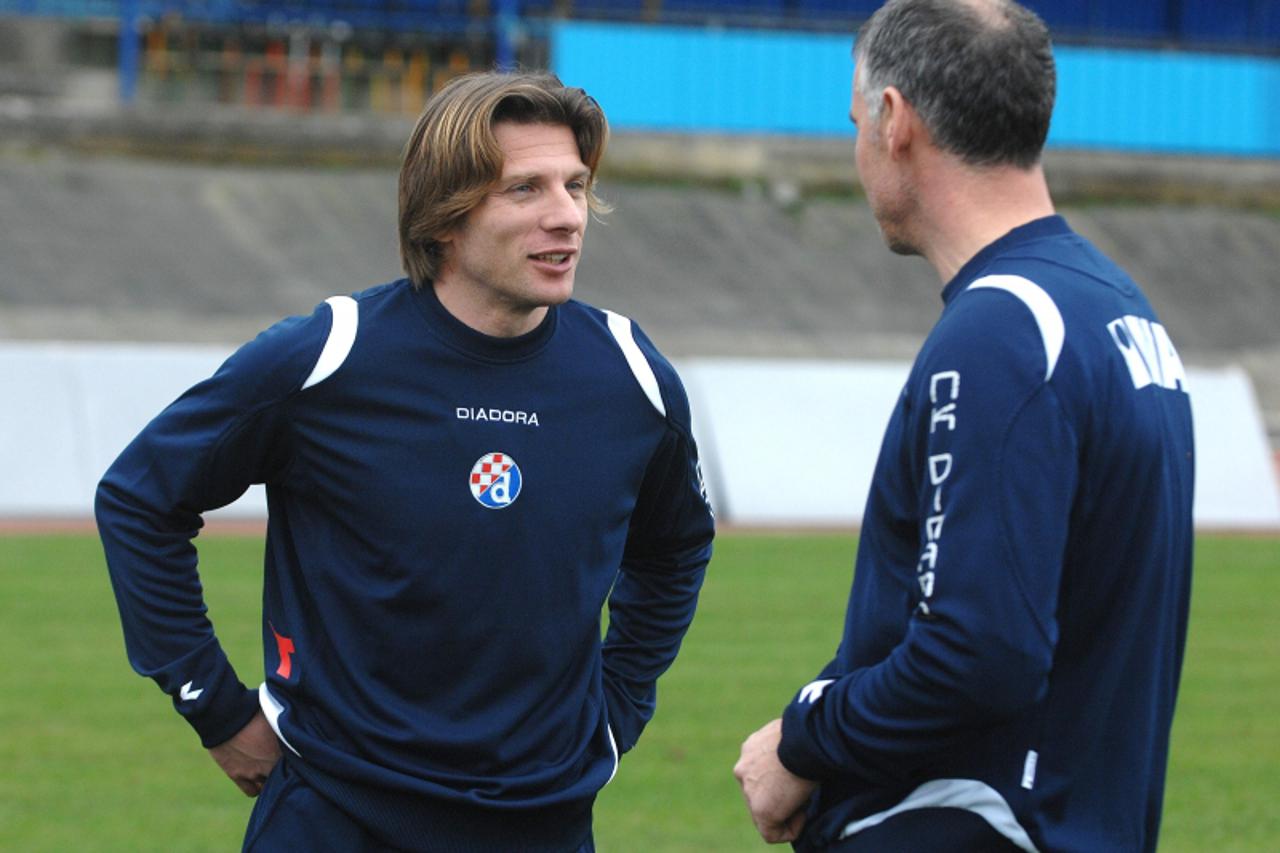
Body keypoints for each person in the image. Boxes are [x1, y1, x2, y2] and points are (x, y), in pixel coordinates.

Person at [97, 70, 714, 852]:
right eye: (525, 189)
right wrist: (216, 707)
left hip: (543, 819)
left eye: (576, 185)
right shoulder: (327, 357)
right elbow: (138, 499)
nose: (566, 217)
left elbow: (677, 545)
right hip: (335, 815)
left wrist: (619, 700)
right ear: (445, 216)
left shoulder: (631, 375)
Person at [734, 1, 1194, 851]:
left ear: (894, 119)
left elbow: (975, 652)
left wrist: (804, 736)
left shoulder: (1004, 330)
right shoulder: (1117, 308)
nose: (857, 149)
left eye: (855, 122)